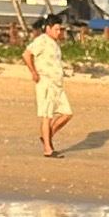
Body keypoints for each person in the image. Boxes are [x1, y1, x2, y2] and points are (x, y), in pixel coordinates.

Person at [23, 12, 71, 157]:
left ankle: (47, 136)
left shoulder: (55, 44)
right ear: (48, 28)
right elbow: (26, 54)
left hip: (57, 84)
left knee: (67, 113)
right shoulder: (42, 40)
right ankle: (48, 149)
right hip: (46, 83)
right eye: (56, 29)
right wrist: (33, 72)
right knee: (47, 115)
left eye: (59, 29)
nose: (58, 32)